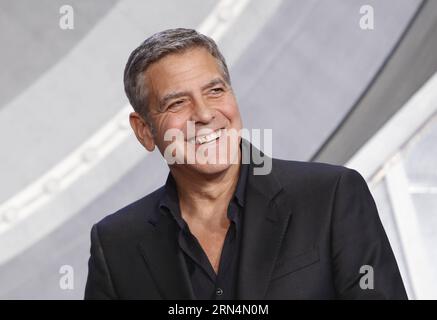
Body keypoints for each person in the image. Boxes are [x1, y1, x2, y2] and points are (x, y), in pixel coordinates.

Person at [84, 28, 407, 299]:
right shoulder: (115, 245)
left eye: (215, 91)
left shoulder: (331, 197)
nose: (205, 114)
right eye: (177, 103)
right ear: (144, 131)